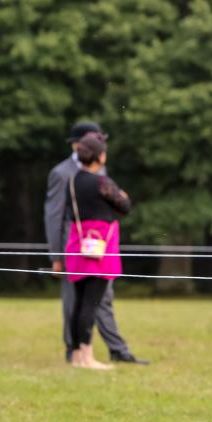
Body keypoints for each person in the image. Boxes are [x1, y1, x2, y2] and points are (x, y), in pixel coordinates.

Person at [44, 122, 149, 365]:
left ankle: (115, 348)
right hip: (79, 248)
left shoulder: (94, 173)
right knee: (78, 302)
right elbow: (54, 216)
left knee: (100, 300)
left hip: (90, 246)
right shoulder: (62, 173)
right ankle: (76, 350)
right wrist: (56, 257)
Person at [63, 134, 131, 370]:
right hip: (101, 244)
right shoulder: (102, 182)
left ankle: (76, 355)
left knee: (79, 302)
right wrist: (123, 196)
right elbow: (124, 206)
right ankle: (87, 356)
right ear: (99, 155)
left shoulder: (72, 181)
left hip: (77, 243)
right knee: (90, 303)